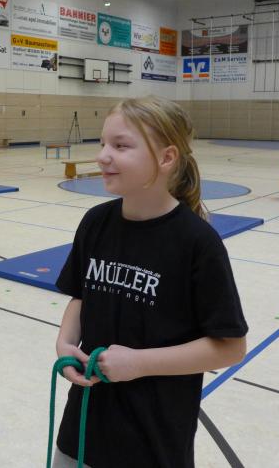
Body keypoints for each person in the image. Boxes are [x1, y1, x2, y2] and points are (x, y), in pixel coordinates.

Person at [52, 96, 249, 468]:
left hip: (152, 443)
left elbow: (231, 348)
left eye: (120, 146)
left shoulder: (196, 243)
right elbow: (80, 296)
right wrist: (65, 343)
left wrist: (139, 363)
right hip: (81, 432)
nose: (102, 156)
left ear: (166, 157)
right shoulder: (95, 222)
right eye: (103, 143)